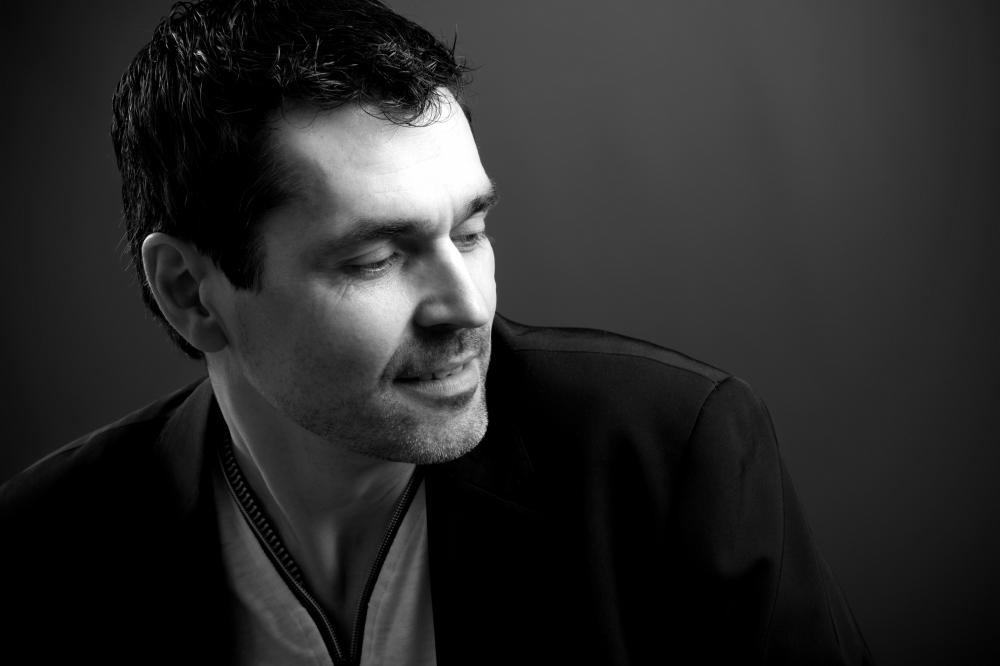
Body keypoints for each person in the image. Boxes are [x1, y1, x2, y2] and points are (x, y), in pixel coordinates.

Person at [0, 1, 872, 664]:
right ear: (191, 291)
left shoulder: (668, 460)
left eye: (471, 231)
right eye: (376, 258)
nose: (469, 307)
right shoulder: (45, 549)